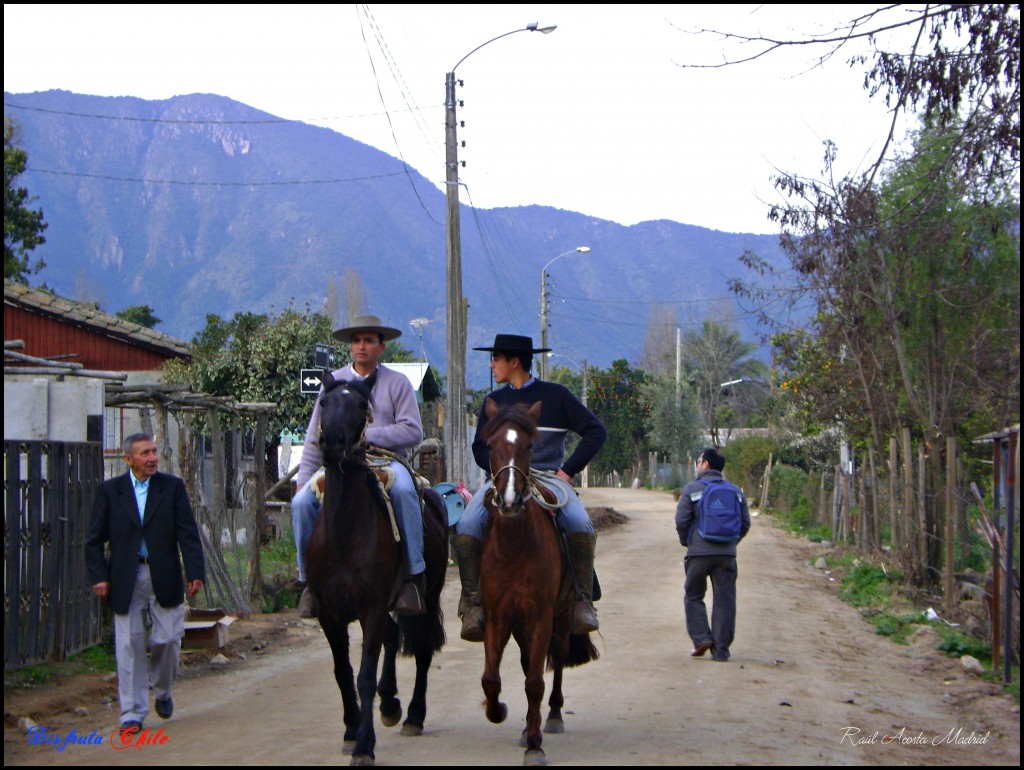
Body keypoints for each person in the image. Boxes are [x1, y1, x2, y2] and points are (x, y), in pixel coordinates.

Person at [451, 334, 607, 641]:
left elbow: (595, 431)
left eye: (496, 358)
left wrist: (567, 471)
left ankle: (581, 601)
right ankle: (472, 603)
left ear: (514, 362)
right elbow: (479, 448)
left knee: (580, 525)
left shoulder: (557, 396)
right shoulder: (493, 403)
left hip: (549, 478)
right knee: (467, 526)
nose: (492, 364)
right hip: (504, 480)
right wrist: (500, 470)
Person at [292, 314, 426, 618]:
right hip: (341, 464)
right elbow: (316, 435)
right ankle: (307, 582)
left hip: (387, 461)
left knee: (405, 493)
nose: (361, 346)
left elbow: (413, 430)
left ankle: (413, 576)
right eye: (356, 341)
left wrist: (368, 435)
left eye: (368, 340)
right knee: (301, 504)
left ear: (381, 347)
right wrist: (303, 478)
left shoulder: (397, 383)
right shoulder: (333, 384)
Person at [85, 433, 206, 732]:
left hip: (163, 573)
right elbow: (93, 541)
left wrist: (195, 571)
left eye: (154, 451)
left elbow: (187, 532)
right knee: (128, 645)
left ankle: (162, 690)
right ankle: (132, 712)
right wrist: (99, 576)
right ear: (128, 459)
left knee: (167, 638)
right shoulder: (110, 492)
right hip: (126, 576)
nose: (152, 457)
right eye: (144, 453)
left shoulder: (172, 487)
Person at [675, 447, 751, 662]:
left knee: (693, 595)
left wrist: (687, 541)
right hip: (727, 555)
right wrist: (731, 542)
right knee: (724, 600)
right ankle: (721, 650)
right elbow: (745, 523)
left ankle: (701, 638)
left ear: (705, 464)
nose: (698, 465)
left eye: (699, 462)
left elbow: (681, 520)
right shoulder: (736, 492)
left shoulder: (692, 489)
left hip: (698, 553)